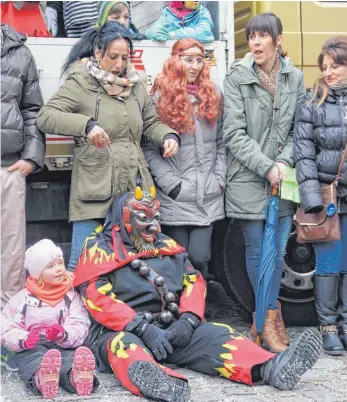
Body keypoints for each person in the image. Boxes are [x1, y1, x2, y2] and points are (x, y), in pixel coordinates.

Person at [73, 188, 322, 402]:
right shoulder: (99, 250)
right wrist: (141, 328)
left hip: (172, 329)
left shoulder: (166, 245)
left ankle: (270, 367)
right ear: (122, 220)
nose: (154, 226)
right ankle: (161, 383)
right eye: (143, 218)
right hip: (124, 331)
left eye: (156, 218)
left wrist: (189, 319)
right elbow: (98, 298)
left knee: (218, 334)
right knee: (124, 348)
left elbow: (194, 280)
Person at [37, 21, 180, 272]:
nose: (119, 64)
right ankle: (77, 312)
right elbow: (46, 116)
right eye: (113, 57)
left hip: (133, 188)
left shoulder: (135, 85)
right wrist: (87, 125)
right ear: (97, 53)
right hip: (95, 188)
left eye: (125, 57)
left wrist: (168, 136)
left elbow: (150, 122)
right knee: (84, 265)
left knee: (135, 264)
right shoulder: (81, 81)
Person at [223, 13, 306, 353]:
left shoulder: (295, 78)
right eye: (251, 36)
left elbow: (296, 129)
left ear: (277, 39)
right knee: (259, 252)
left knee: (280, 250)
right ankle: (265, 319)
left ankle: (270, 318)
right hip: (247, 177)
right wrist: (266, 166)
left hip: (283, 179)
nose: (255, 43)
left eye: (262, 36)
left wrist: (283, 162)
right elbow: (233, 133)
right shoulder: (237, 77)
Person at [142, 38, 226, 279]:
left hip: (207, 193)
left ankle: (197, 310)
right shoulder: (160, 96)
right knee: (177, 258)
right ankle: (179, 310)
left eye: (199, 60)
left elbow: (222, 142)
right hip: (177, 195)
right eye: (188, 60)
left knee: (200, 257)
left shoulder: (214, 93)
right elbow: (148, 148)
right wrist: (172, 185)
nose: (195, 66)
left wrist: (219, 180)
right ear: (175, 60)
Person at [294, 36, 347, 356]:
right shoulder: (311, 103)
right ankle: (328, 327)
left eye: (336, 65)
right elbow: (304, 155)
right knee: (328, 263)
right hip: (327, 198)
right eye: (324, 67)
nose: (328, 72)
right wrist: (311, 197)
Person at [0, 240, 98, 399]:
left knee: (71, 357)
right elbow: (5, 326)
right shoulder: (22, 299)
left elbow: (79, 322)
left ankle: (76, 377)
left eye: (60, 263)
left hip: (63, 342)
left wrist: (64, 334)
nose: (59, 269)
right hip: (34, 344)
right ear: (37, 273)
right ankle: (42, 379)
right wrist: (23, 339)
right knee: (31, 359)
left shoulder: (70, 296)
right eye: (50, 266)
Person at [1, 24, 45, 310]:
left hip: (8, 165)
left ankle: (8, 318)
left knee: (10, 247)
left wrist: (31, 157)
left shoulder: (20, 52)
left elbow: (32, 109)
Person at [146, 1, 214, 43]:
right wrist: (152, 33)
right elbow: (152, 31)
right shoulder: (168, 13)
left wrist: (175, 35)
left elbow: (204, 33)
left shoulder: (202, 12)